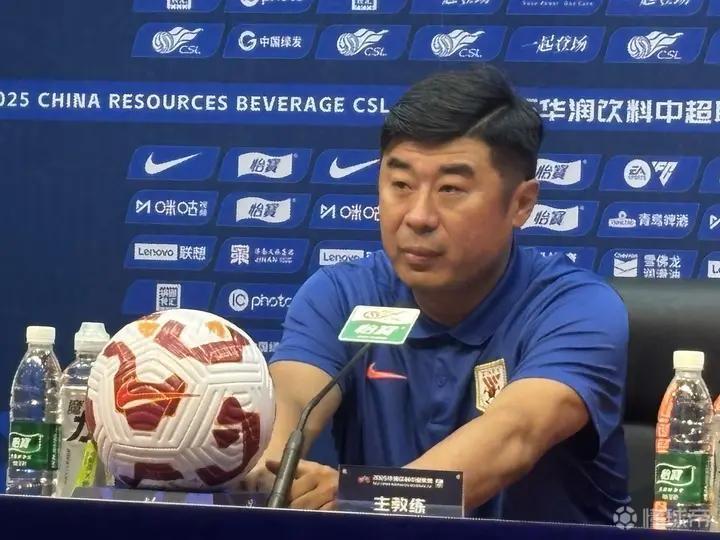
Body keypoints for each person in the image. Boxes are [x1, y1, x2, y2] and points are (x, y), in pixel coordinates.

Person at [245, 65, 630, 524]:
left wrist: (365, 496)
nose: (418, 216)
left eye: (451, 189)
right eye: (401, 185)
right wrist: (264, 468)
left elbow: (514, 433)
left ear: (521, 204)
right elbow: (288, 403)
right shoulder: (341, 295)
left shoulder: (576, 309)